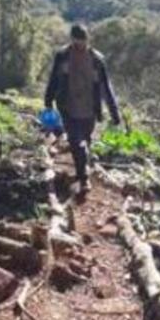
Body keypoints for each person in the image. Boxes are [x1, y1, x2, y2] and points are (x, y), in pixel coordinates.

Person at [44, 23, 121, 193]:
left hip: (89, 109)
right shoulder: (63, 56)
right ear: (71, 40)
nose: (80, 46)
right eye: (77, 42)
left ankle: (82, 168)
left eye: (83, 42)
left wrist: (114, 113)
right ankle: (83, 178)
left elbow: (105, 87)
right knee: (76, 142)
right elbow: (54, 79)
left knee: (84, 142)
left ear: (87, 40)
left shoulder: (97, 60)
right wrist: (48, 100)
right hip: (68, 106)